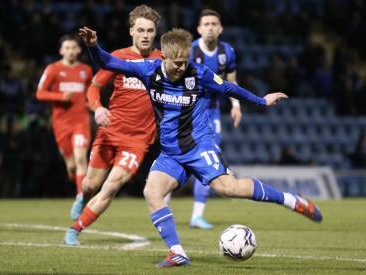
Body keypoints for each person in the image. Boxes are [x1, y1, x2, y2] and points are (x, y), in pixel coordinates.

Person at [77, 27, 323, 268]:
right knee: (151, 192)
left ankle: (291, 200)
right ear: (163, 56)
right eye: (177, 63)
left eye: (185, 62)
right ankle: (177, 253)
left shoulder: (198, 73)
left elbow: (228, 88)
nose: (182, 67)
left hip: (198, 146)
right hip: (171, 152)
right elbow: (108, 62)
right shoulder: (147, 70)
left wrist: (261, 100)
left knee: (229, 189)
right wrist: (92, 46)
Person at [63, 5, 162, 243]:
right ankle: (83, 197)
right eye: (140, 30)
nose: (146, 35)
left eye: (150, 30)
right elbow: (94, 88)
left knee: (111, 186)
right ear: (131, 32)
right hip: (110, 131)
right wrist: (97, 109)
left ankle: (74, 230)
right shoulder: (119, 58)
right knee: (90, 184)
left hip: (138, 139)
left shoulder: (163, 60)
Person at [188, 9, 242, 229]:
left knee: (209, 157)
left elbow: (232, 82)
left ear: (220, 29)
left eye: (214, 24)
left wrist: (236, 105)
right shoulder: (190, 51)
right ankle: (163, 202)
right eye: (206, 24)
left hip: (211, 112)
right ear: (199, 29)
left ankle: (197, 215)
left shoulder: (227, 52)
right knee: (179, 158)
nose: (210, 27)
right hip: (187, 112)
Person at [36, 36, 92, 209]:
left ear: (79, 50)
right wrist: (60, 97)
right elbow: (40, 93)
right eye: (66, 48)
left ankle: (80, 199)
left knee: (81, 159)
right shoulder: (53, 69)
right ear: (61, 51)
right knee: (72, 166)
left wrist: (96, 107)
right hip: (61, 124)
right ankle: (74, 177)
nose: (70, 51)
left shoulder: (86, 70)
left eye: (73, 47)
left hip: (81, 121)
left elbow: (90, 94)